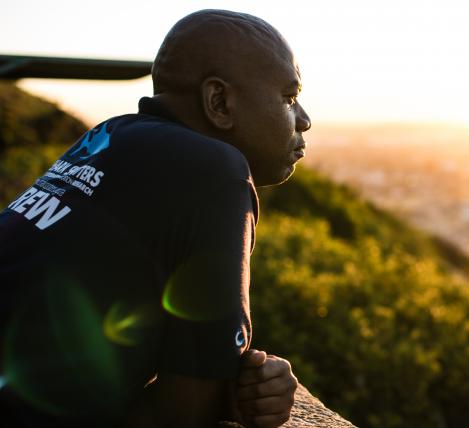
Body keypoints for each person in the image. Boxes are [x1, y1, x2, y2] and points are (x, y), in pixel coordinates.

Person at [0, 9, 310, 428]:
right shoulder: (216, 171)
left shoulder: (110, 135)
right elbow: (181, 415)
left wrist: (221, 385)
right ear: (219, 102)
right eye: (289, 98)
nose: (304, 119)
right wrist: (220, 393)